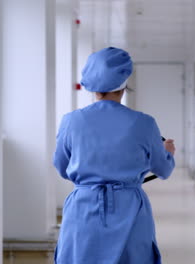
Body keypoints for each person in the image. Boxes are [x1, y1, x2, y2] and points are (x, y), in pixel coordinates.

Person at [53, 47, 176, 264]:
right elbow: (163, 170)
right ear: (124, 85)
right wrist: (168, 153)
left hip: (83, 208)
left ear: (90, 84)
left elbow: (62, 167)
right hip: (129, 210)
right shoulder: (144, 123)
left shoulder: (71, 121)